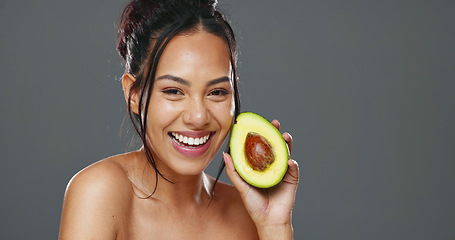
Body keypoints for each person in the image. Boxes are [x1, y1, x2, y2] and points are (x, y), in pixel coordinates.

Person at [58, 0, 299, 239]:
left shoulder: (249, 214)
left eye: (216, 92)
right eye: (174, 91)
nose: (198, 117)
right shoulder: (98, 193)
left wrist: (275, 228)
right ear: (133, 93)